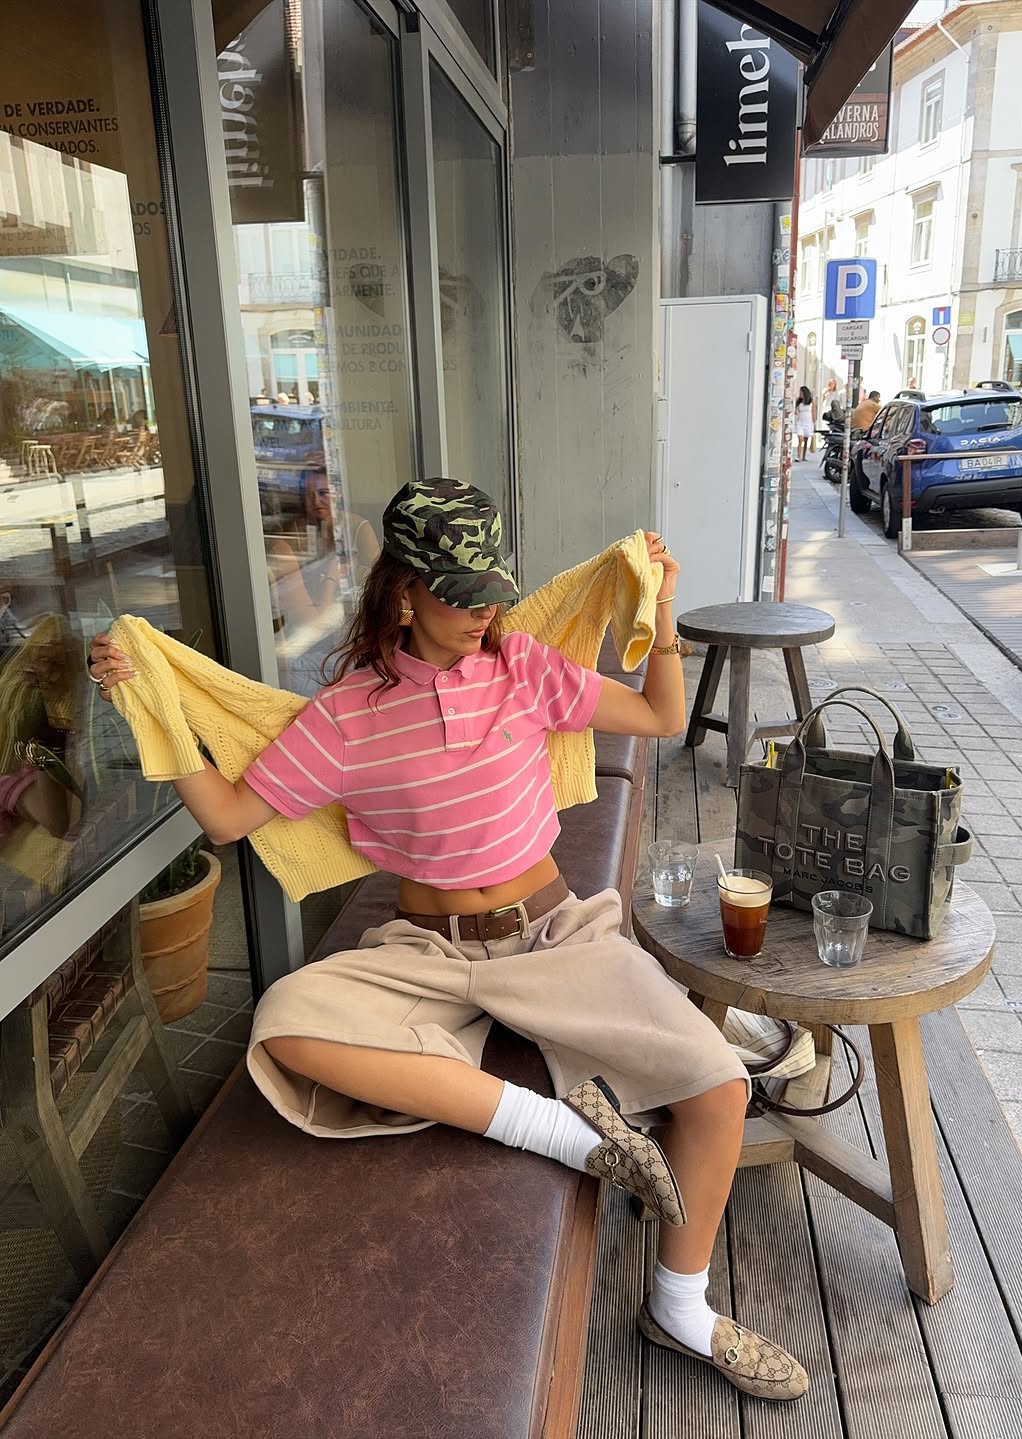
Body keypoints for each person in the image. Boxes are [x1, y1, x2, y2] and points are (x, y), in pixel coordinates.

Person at [88, 478, 808, 1403]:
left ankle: (680, 1307)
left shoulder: (524, 668)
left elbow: (664, 717)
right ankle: (566, 1133)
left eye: (494, 589)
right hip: (427, 952)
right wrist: (150, 705)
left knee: (716, 1087)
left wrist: (663, 606)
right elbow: (228, 818)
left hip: (553, 932)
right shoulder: (346, 716)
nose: (486, 610)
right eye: (462, 593)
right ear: (404, 592)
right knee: (283, 1020)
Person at [793, 385, 815, 461]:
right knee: (800, 439)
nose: (800, 394)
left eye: (801, 393)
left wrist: (814, 423)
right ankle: (798, 457)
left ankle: (804, 456)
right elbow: (795, 410)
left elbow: (813, 412)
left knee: (806, 440)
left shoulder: (811, 401)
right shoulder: (798, 401)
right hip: (800, 422)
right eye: (800, 393)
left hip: (808, 422)